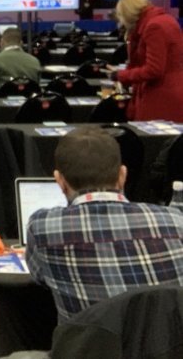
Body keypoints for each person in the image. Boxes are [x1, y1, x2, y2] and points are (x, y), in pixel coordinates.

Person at [25, 126, 183, 322]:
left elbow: (39, 278)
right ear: (122, 175)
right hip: (166, 349)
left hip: (86, 349)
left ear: (60, 182)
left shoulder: (42, 227)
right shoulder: (175, 221)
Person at [107, 0, 183, 122]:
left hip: (161, 97)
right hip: (173, 91)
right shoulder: (164, 19)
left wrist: (121, 75)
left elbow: (154, 69)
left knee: (152, 141)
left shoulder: (154, 27)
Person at [0, 27, 42, 97]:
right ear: (21, 43)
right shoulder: (35, 61)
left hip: (0, 106)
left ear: (1, 42)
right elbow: (37, 89)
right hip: (29, 106)